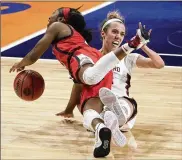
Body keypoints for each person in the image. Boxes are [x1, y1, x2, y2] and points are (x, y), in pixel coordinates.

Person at [9, 7, 149, 158]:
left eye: (53, 14)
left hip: (88, 60)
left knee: (90, 77)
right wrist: (69, 109)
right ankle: (101, 128)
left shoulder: (58, 27)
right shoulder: (70, 39)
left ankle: (132, 44)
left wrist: (23, 62)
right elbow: (78, 84)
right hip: (102, 68)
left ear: (61, 19)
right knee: (88, 111)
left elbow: (37, 50)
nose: (49, 18)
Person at [56, 10, 165, 146]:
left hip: (121, 103)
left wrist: (143, 46)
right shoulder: (90, 56)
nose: (118, 37)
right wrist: (69, 109)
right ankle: (109, 124)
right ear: (103, 33)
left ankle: (114, 117)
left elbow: (159, 64)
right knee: (87, 108)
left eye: (122, 34)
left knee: (125, 104)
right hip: (97, 104)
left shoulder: (128, 58)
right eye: (114, 32)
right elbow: (78, 84)